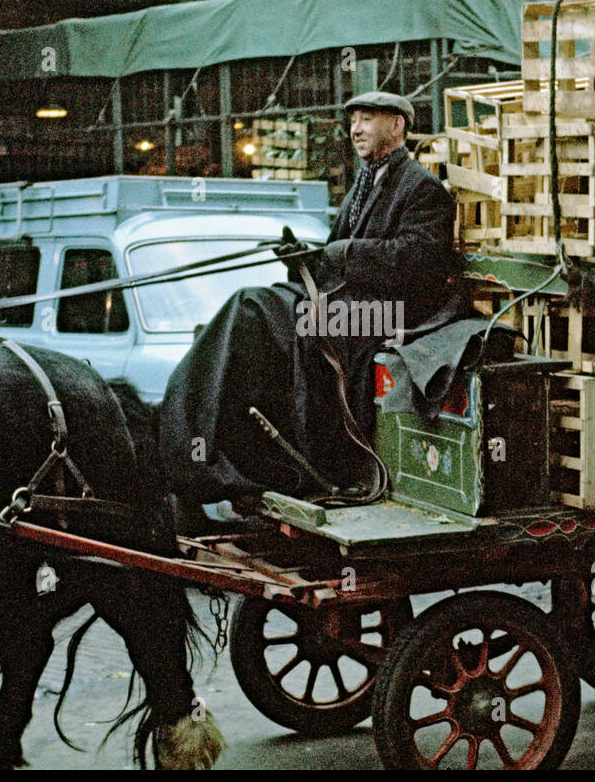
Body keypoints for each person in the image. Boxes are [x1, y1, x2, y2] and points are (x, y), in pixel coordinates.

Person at [157, 91, 463, 524]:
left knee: (279, 317)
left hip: (394, 313)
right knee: (251, 311)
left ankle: (314, 462)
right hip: (351, 304)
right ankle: (208, 449)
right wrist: (303, 256)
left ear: (397, 127)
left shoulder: (423, 189)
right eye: (353, 120)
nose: (355, 129)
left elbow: (417, 261)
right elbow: (334, 257)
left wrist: (342, 253)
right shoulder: (365, 182)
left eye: (368, 119)